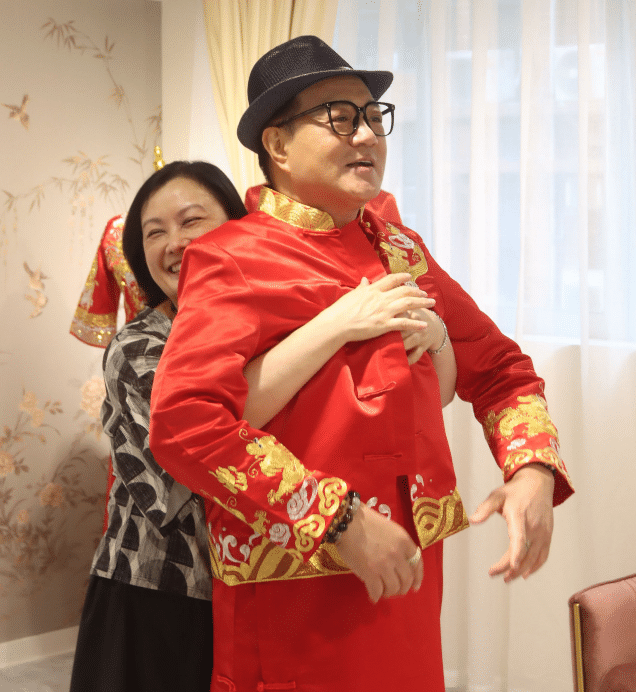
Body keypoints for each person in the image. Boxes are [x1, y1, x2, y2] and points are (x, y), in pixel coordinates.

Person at [149, 37, 574, 691]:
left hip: (407, 571)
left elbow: (501, 369)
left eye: (375, 116)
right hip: (296, 591)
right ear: (278, 144)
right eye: (340, 118)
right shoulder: (232, 256)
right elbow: (185, 423)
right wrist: (336, 519)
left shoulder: (400, 249)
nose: (369, 135)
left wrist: (533, 471)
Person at [69, 158, 451, 692]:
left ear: (238, 231)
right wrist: (335, 326)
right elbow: (195, 450)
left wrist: (434, 334)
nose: (175, 244)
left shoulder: (279, 326)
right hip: (164, 592)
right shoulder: (139, 347)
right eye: (154, 233)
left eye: (191, 220)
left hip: (264, 588)